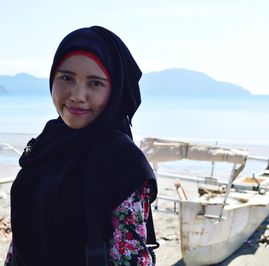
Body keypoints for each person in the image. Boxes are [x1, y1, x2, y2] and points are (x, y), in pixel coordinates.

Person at [4, 26, 158, 266]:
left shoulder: (123, 161)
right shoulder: (46, 144)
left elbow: (130, 259)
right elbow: (21, 240)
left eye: (95, 83)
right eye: (66, 78)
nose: (77, 95)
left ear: (115, 89)